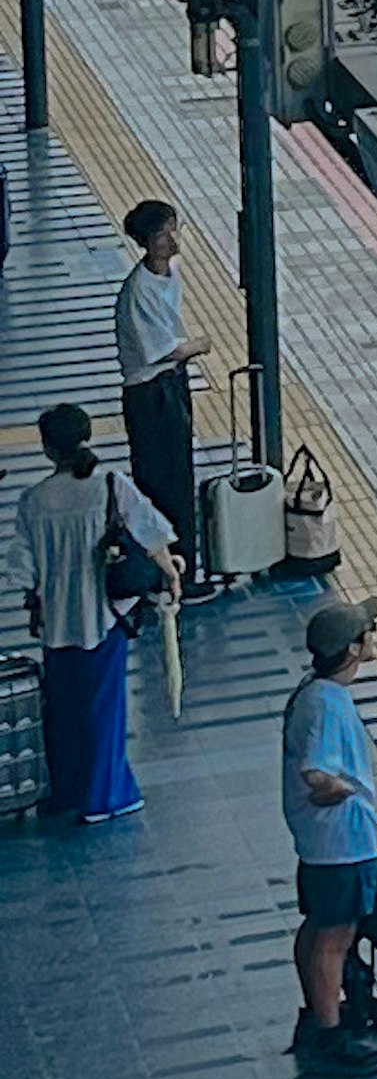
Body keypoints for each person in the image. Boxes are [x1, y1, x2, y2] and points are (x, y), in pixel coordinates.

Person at [20, 398, 173, 822]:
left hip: (56, 621)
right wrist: (172, 576)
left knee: (62, 708)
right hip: (105, 616)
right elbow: (151, 532)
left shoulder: (34, 500)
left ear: (47, 449)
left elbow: (22, 568)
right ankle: (105, 797)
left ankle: (65, 790)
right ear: (86, 437)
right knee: (104, 708)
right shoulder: (110, 484)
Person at [282, 593, 377, 1075]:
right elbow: (316, 774)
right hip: (340, 844)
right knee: (334, 937)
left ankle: (315, 1016)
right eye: (367, 632)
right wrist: (344, 790)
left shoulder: (314, 691)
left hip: (320, 842)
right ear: (352, 650)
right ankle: (330, 1035)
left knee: (318, 928)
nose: (374, 636)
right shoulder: (328, 705)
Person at [112, 199, 199, 570]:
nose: (172, 238)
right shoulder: (139, 290)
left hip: (166, 388)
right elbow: (163, 351)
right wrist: (199, 346)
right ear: (148, 241)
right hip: (152, 394)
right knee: (166, 479)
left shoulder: (165, 272)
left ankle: (180, 558)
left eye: (174, 228)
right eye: (164, 232)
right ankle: (173, 565)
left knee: (178, 473)